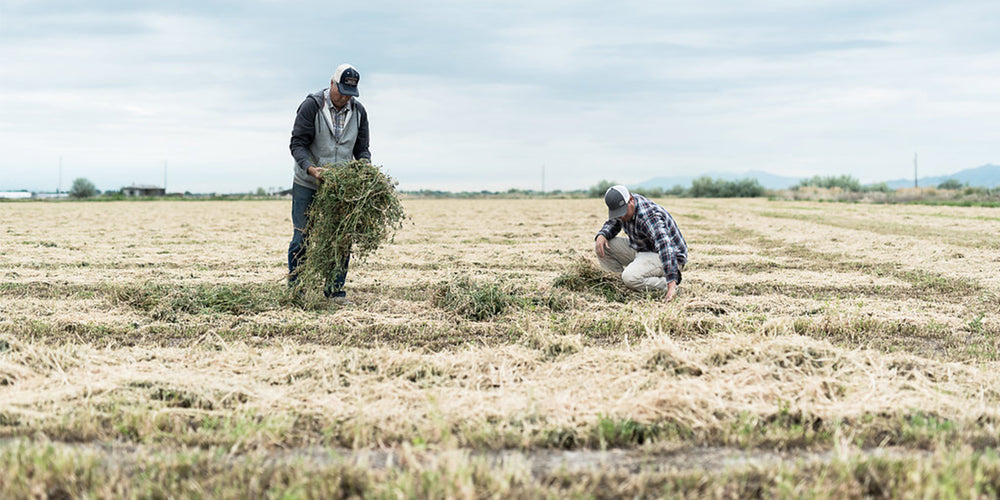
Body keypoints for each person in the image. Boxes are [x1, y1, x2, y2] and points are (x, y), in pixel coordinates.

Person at [287, 63, 371, 304]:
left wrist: (364, 166)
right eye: (341, 91)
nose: (345, 97)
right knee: (303, 237)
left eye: (350, 93)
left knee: (341, 237)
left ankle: (334, 291)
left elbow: (362, 149)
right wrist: (312, 169)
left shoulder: (358, 112)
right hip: (308, 182)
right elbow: (297, 144)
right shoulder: (312, 106)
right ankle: (297, 290)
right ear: (332, 83)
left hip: (339, 187)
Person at [594, 185, 688, 301]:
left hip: (668, 256)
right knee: (602, 245)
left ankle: (666, 284)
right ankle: (620, 284)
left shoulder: (649, 216)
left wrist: (671, 284)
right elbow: (613, 222)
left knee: (630, 277)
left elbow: (665, 247)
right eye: (618, 213)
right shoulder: (625, 207)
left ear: (631, 200)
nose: (621, 216)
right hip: (641, 249)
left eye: (623, 212)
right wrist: (602, 234)